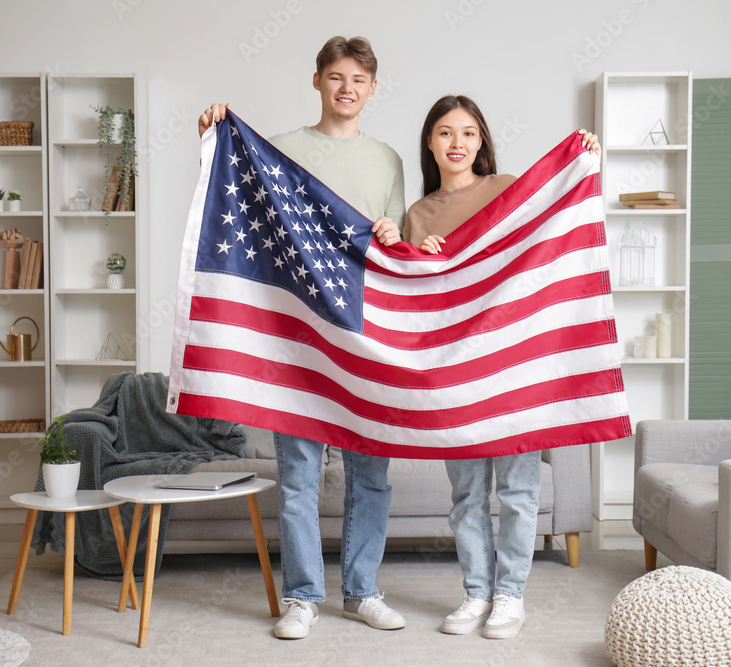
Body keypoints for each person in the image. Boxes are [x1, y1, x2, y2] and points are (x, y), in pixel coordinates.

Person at [198, 36, 405, 640]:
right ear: (317, 81)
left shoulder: (388, 159)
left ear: (372, 89)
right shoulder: (282, 151)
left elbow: (397, 253)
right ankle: (301, 596)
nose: (347, 88)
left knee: (372, 476)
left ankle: (362, 590)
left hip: (365, 338)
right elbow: (229, 187)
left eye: (359, 80)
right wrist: (212, 131)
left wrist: (391, 233)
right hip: (297, 340)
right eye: (336, 77)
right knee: (298, 477)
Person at [403, 95, 599, 639]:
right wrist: (425, 256)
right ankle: (476, 594)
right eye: (445, 133)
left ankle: (510, 596)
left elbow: (548, 221)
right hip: (454, 371)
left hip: (514, 365)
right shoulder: (419, 213)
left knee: (517, 492)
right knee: (467, 494)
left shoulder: (507, 188)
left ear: (482, 141)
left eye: (468, 133)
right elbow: (415, 301)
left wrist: (581, 157)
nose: (457, 143)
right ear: (430, 143)